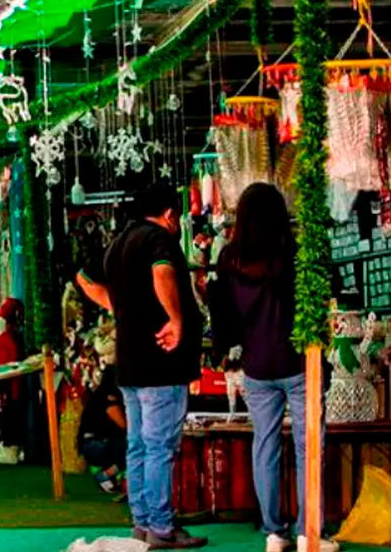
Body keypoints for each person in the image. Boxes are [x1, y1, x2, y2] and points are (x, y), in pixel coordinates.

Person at [208, 183, 338, 552]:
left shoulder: (229, 259)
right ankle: (309, 531)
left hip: (256, 366)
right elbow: (326, 292)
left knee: (264, 446)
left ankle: (273, 532)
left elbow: (224, 315)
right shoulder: (293, 254)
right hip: (298, 362)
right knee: (309, 447)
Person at [77, 183, 206, 550]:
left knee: (138, 445)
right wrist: (175, 319)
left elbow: (84, 278)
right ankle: (161, 527)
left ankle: (143, 523)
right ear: (169, 214)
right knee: (160, 446)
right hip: (161, 363)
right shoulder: (159, 239)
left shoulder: (119, 243)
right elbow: (162, 273)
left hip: (130, 363)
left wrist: (117, 307)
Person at [77, 365, 127, 493]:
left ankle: (112, 476)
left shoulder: (99, 394)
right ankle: (106, 474)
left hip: (90, 443)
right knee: (134, 444)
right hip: (97, 444)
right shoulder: (109, 397)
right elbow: (123, 424)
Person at [0, 298, 25, 465]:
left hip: (7, 387)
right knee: (9, 417)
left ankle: (10, 448)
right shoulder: (10, 338)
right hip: (9, 386)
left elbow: (5, 367)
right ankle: (10, 446)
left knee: (8, 417)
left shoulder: (7, 339)